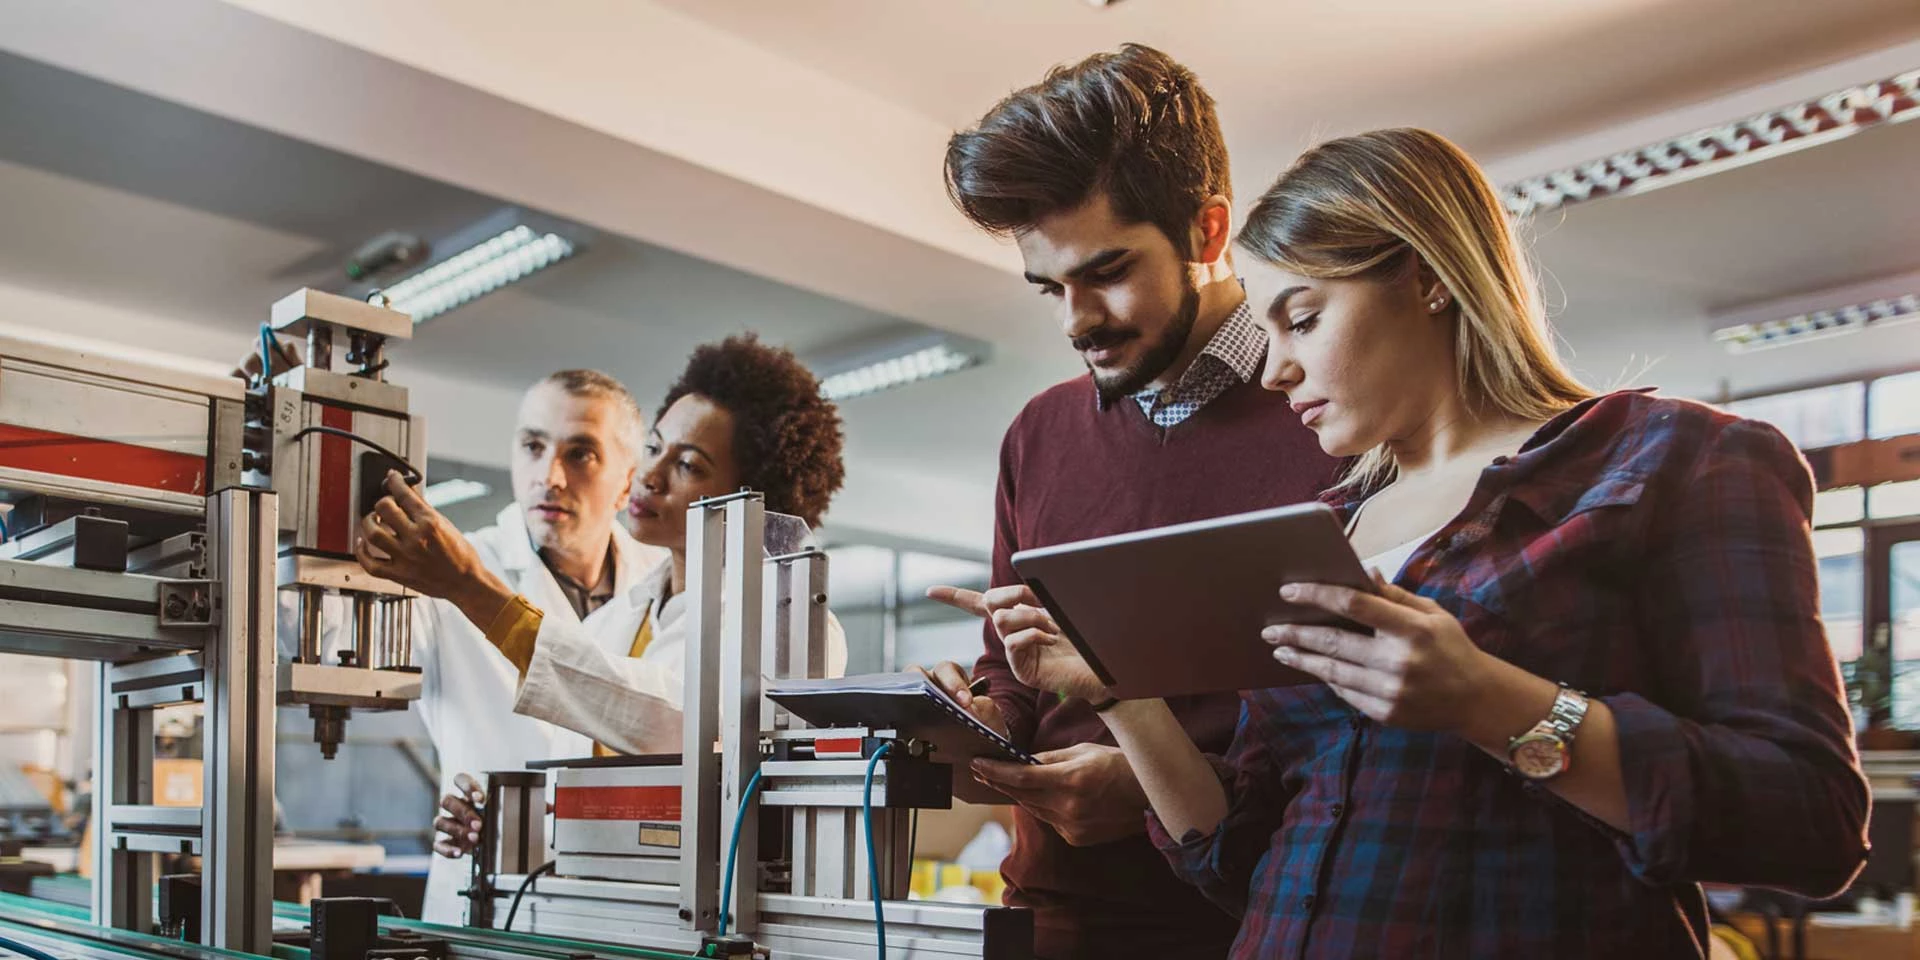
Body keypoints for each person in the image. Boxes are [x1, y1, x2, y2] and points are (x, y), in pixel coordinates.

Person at [975, 127, 1871, 957]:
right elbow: (1242, 862)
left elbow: (1810, 823)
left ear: (1426, 276)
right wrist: (1121, 696)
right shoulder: (1328, 528)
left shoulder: (1676, 461)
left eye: (1305, 317)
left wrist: (1490, 701)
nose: (1272, 366)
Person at [919, 45, 1341, 960]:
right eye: (1051, 288)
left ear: (1208, 229)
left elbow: (1362, 734)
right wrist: (968, 725)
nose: (1076, 321)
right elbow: (1017, 677)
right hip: (1052, 917)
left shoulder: (1333, 413)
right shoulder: (1037, 435)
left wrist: (1152, 786)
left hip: (1256, 918)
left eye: (1105, 273)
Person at [241, 348, 667, 925]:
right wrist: (278, 475)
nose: (550, 475)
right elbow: (307, 636)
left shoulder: (663, 583)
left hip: (629, 910)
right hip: (487, 906)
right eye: (533, 446)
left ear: (626, 482)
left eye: (581, 453)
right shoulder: (450, 568)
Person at [357, 334, 850, 757]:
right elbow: (582, 761)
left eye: (689, 465)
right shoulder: (615, 620)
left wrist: (472, 588)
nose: (650, 476)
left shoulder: (792, 625)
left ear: (751, 499)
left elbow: (676, 726)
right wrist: (495, 814)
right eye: (655, 448)